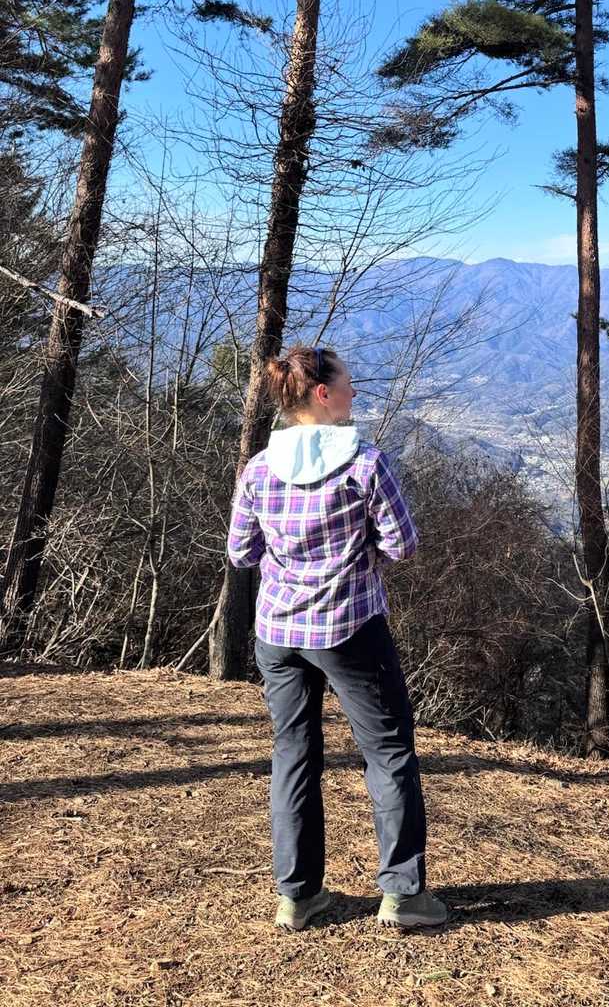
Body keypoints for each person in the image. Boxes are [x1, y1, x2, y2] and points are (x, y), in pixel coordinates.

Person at [226, 343, 447, 932]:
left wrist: (289, 562)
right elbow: (403, 544)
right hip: (349, 628)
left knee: (293, 755)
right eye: (348, 383)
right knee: (388, 753)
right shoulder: (365, 464)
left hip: (278, 632)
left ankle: (297, 896)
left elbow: (241, 552)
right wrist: (359, 558)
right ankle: (403, 894)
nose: (354, 392)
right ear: (322, 394)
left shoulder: (258, 468)